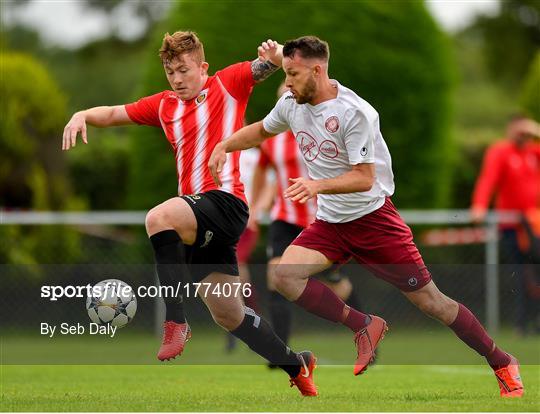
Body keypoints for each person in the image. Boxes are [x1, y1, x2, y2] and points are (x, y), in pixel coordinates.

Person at [209, 35, 524, 398]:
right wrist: (224, 144)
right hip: (330, 224)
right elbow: (262, 130)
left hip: (374, 220)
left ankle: (501, 360)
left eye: (293, 74)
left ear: (317, 70)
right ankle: (365, 325)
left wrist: (316, 186)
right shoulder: (292, 102)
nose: (288, 82)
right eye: (286, 73)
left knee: (432, 303)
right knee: (284, 276)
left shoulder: (353, 111)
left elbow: (364, 178)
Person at [62, 31, 317, 397]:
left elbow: (276, 66)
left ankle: (175, 321)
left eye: (183, 70)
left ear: (202, 67)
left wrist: (276, 56)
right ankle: (297, 364)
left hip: (226, 201)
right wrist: (81, 114)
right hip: (200, 218)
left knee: (157, 218)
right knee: (229, 314)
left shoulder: (228, 83)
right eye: (171, 73)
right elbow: (116, 113)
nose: (177, 79)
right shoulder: (164, 105)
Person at [251, 83, 365, 353]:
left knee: (336, 286)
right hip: (285, 218)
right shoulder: (272, 141)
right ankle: (278, 351)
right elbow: (261, 170)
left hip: (321, 221)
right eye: (284, 100)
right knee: (275, 276)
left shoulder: (325, 132)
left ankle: (365, 329)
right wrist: (255, 207)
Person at [471, 116, 540, 335]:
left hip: (535, 224)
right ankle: (522, 324)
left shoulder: (533, 151)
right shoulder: (500, 151)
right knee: (520, 275)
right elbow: (488, 179)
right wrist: (479, 205)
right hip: (512, 226)